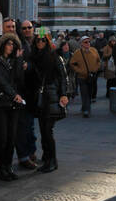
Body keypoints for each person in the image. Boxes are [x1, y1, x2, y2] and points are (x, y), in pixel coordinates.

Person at [0, 34, 25, 180]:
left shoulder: (13, 61)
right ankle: (2, 167)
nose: (11, 47)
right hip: (0, 103)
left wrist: (19, 59)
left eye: (13, 44)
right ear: (2, 45)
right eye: (9, 44)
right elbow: (0, 80)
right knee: (2, 137)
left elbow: (18, 78)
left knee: (11, 137)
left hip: (13, 103)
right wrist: (14, 94)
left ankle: (8, 166)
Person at [33, 29, 69, 172]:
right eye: (38, 40)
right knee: (43, 130)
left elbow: (63, 77)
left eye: (43, 40)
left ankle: (52, 160)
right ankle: (47, 158)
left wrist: (64, 94)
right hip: (42, 98)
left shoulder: (54, 56)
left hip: (52, 97)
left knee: (48, 130)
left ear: (48, 41)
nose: (40, 43)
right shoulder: (35, 56)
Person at [14, 20, 40, 169]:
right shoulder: (18, 44)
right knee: (24, 124)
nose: (27, 30)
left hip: (35, 90)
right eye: (24, 28)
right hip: (22, 89)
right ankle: (26, 155)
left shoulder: (40, 42)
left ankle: (32, 151)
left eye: (29, 28)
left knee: (30, 125)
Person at [69, 36, 101, 117]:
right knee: (84, 93)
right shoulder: (77, 53)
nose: (88, 44)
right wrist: (79, 71)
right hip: (82, 77)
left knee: (89, 93)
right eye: (85, 42)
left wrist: (96, 69)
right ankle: (86, 110)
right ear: (81, 44)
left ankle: (84, 107)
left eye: (88, 42)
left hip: (92, 76)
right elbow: (72, 63)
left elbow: (98, 61)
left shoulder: (94, 50)